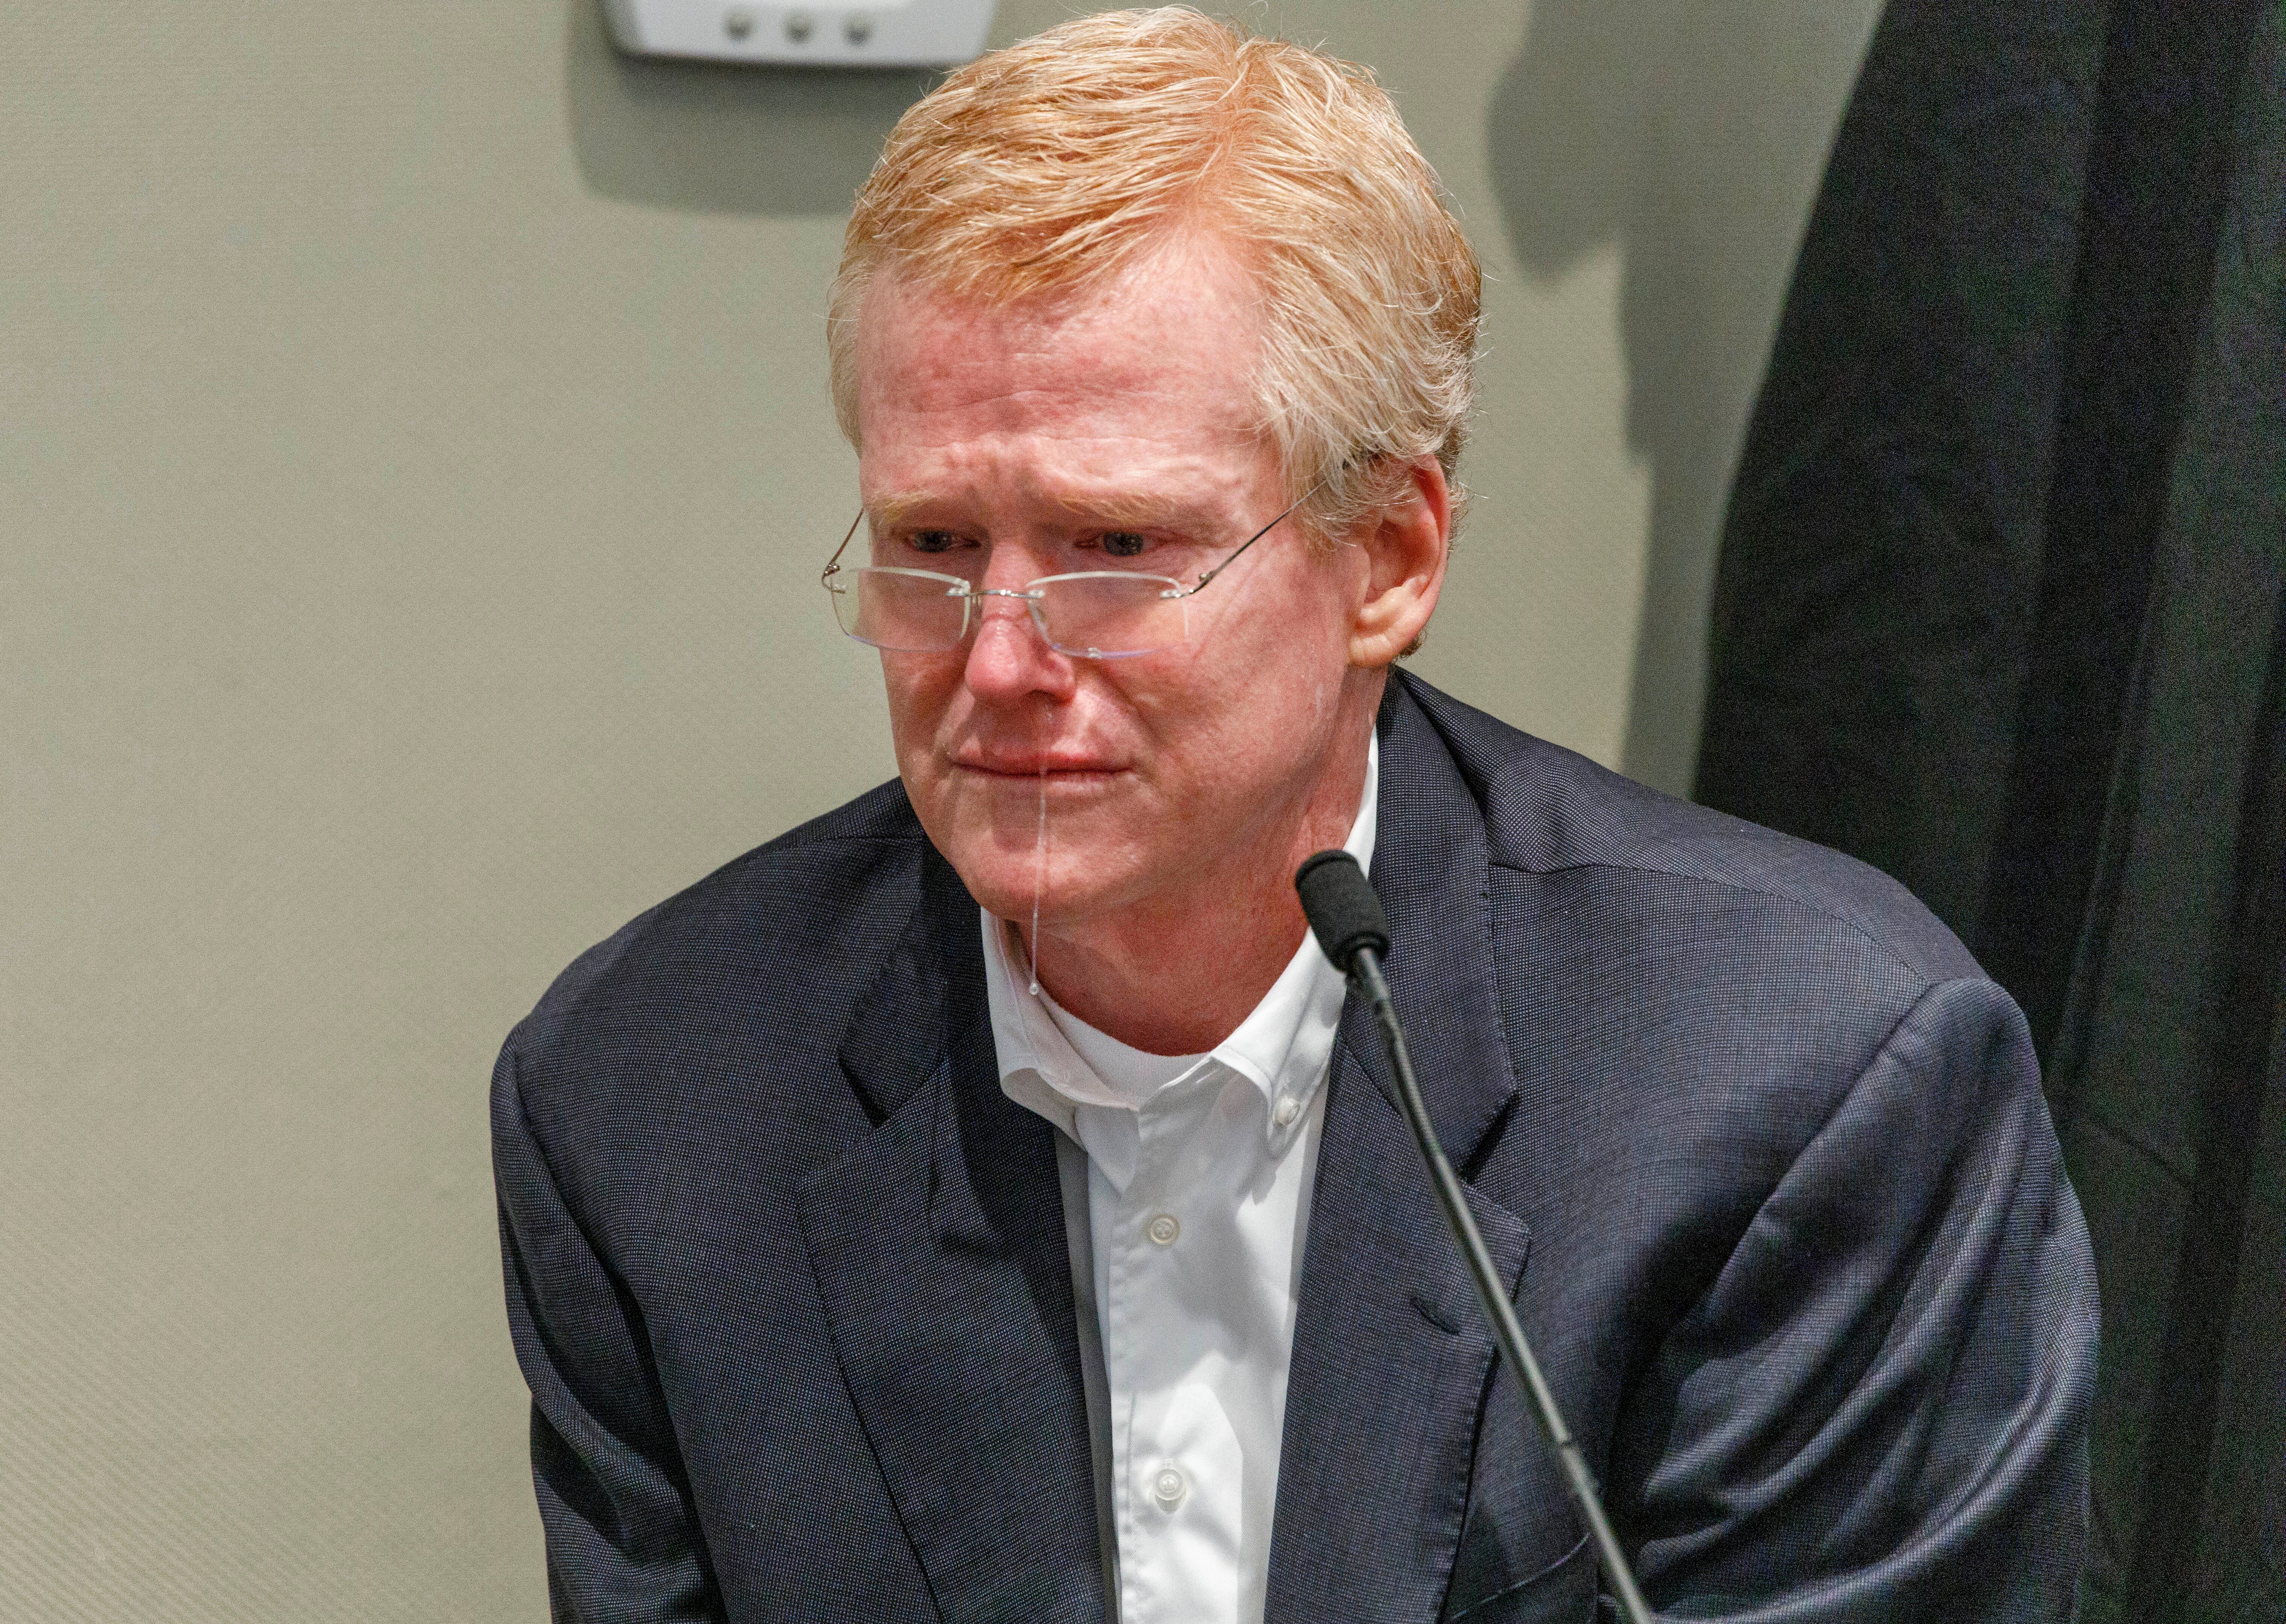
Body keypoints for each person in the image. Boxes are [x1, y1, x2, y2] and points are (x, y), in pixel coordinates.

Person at [490, 10, 2098, 1621]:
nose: (994, 660)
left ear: (1387, 558)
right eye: (931, 539)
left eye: (1113, 544)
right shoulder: (648, 1111)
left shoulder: (1808, 1093)